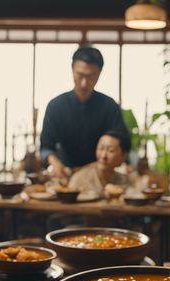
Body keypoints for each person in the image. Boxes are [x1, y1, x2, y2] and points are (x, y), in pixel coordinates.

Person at [40, 46, 128, 180]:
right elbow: (46, 147)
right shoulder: (56, 106)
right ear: (72, 69)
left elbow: (122, 142)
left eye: (91, 77)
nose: (84, 83)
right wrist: (55, 163)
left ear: (99, 73)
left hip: (101, 176)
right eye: (80, 75)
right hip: (65, 175)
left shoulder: (109, 106)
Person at [69, 130, 140, 196]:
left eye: (110, 150)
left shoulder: (125, 181)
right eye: (101, 148)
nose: (103, 156)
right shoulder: (80, 179)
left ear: (123, 156)